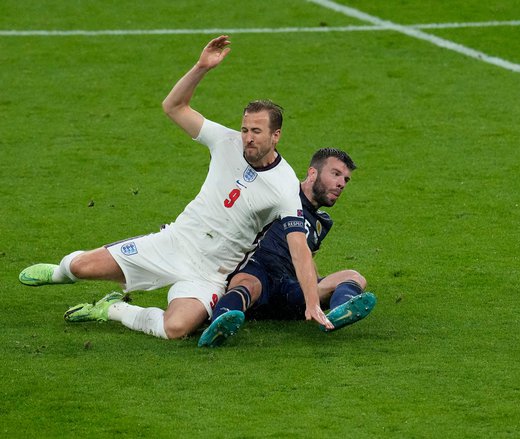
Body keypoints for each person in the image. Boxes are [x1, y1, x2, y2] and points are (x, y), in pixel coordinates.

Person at [18, 35, 333, 339]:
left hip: (211, 272)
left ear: (276, 135)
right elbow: (174, 106)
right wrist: (201, 67)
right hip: (174, 243)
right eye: (245, 129)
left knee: (176, 329)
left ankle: (111, 309)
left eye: (257, 131)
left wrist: (312, 301)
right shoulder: (226, 142)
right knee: (81, 266)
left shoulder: (284, 186)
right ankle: (61, 273)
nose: (248, 137)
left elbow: (299, 250)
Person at [198, 148, 376, 348]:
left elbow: (308, 258)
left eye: (346, 179)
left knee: (354, 277)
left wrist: (317, 288)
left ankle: (339, 313)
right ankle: (219, 323)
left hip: (287, 290)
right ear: (312, 173)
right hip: (257, 272)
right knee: (248, 283)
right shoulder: (281, 191)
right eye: (336, 174)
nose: (341, 183)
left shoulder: (322, 223)